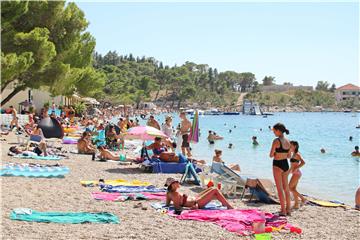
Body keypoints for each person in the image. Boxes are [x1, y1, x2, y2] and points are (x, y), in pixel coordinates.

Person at [165, 177, 233, 213]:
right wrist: (190, 209)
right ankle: (229, 206)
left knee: (212, 189)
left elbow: (167, 205)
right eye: (177, 182)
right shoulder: (175, 194)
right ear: (172, 185)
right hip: (197, 203)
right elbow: (177, 208)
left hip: (196, 198)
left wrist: (174, 203)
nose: (178, 183)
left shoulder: (169, 193)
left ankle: (225, 204)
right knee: (215, 190)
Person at [270, 123, 291, 216]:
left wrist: (275, 154)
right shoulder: (288, 141)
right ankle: (288, 209)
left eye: (274, 131)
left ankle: (283, 210)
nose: (274, 132)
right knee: (286, 188)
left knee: (279, 188)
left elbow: (270, 155)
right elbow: (289, 155)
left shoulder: (276, 141)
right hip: (286, 164)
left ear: (278, 130)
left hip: (277, 164)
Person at [289, 141, 307, 209]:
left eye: (291, 145)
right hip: (295, 173)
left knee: (290, 188)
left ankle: (303, 199)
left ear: (295, 146)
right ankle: (296, 204)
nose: (290, 146)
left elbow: (303, 162)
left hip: (297, 173)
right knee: (293, 189)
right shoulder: (293, 154)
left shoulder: (297, 154)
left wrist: (296, 167)